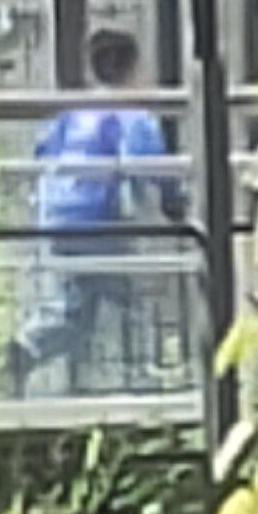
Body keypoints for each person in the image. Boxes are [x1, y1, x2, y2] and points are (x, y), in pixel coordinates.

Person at [27, 29, 182, 396]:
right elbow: (148, 163)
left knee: (77, 306)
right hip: (99, 217)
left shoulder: (72, 113)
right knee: (129, 300)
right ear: (132, 69)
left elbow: (42, 151)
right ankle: (145, 384)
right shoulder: (131, 114)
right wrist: (174, 201)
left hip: (58, 215)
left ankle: (50, 366)